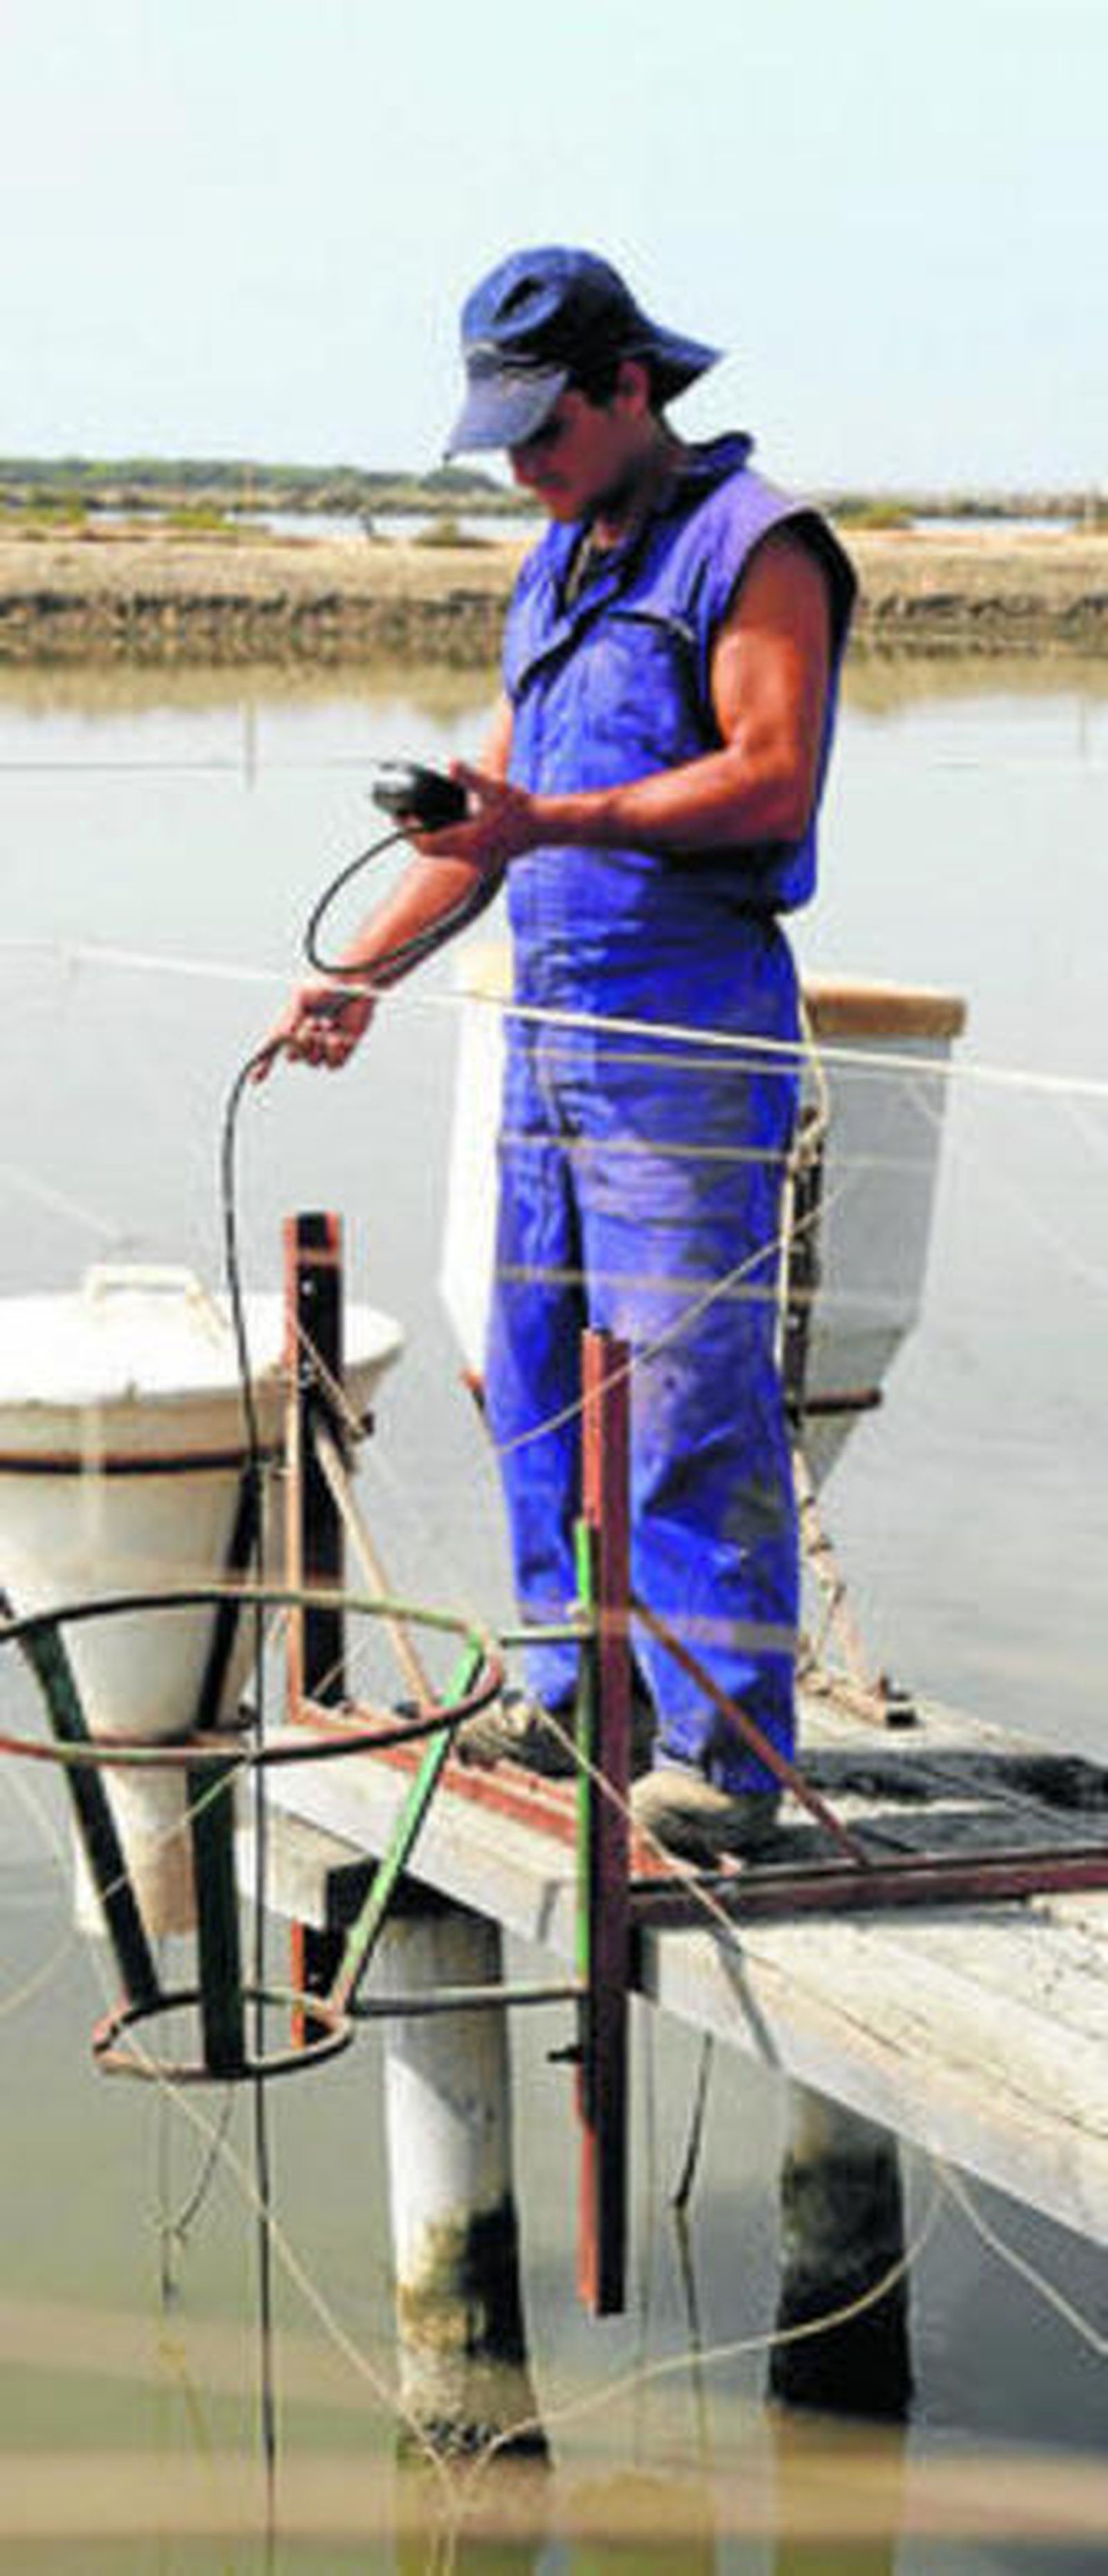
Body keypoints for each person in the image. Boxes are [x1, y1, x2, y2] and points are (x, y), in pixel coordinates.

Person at [260, 245, 855, 1863]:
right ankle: (573, 1688)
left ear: (629, 386)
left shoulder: (754, 546)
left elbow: (769, 777)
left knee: (684, 1380)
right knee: (528, 1361)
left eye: (544, 427)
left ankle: (727, 1749)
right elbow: (491, 824)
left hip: (684, 1018)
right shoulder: (551, 565)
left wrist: (553, 821)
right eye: (501, 436)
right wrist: (360, 974)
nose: (521, 463)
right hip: (547, 1019)